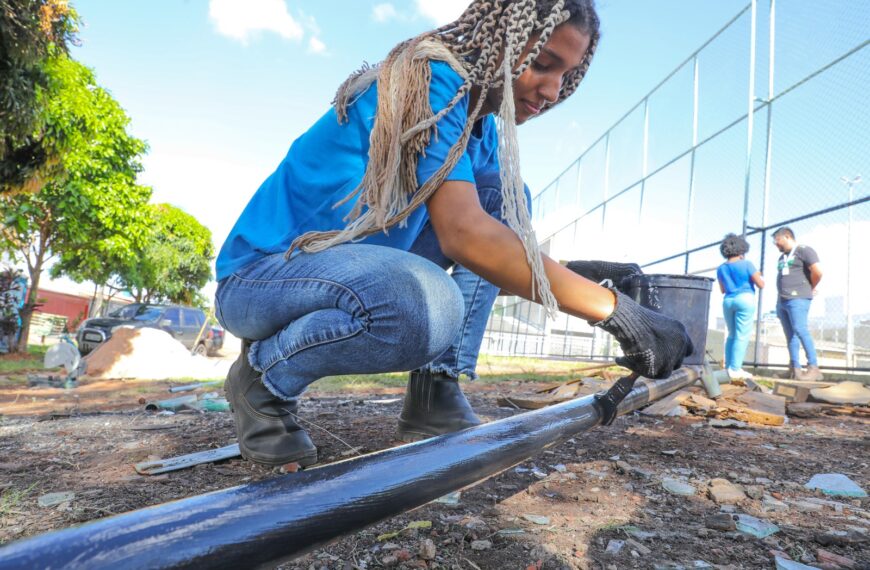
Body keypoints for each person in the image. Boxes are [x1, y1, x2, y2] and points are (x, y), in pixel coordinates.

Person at [214, 0, 693, 468]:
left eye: (566, 75)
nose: (552, 90)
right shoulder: (427, 80)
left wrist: (583, 278)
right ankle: (263, 377)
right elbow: (466, 237)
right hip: (262, 280)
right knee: (421, 304)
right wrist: (615, 312)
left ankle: (435, 388)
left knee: (504, 197)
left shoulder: (480, 129)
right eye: (543, 64)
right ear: (501, 40)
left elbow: (484, 259)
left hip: (349, 279)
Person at [772, 227, 823, 380]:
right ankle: (795, 369)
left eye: (777, 240)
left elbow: (818, 272)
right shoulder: (782, 257)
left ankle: (813, 367)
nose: (776, 244)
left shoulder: (804, 251)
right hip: (782, 301)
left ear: (787, 236)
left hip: (798, 299)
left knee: (801, 329)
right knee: (790, 335)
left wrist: (811, 287)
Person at [716, 233, 764, 380]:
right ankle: (735, 369)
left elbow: (722, 290)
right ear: (742, 249)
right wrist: (757, 274)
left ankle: (729, 368)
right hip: (745, 299)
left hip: (728, 301)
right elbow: (761, 284)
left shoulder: (721, 268)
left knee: (731, 334)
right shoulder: (747, 264)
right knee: (742, 335)